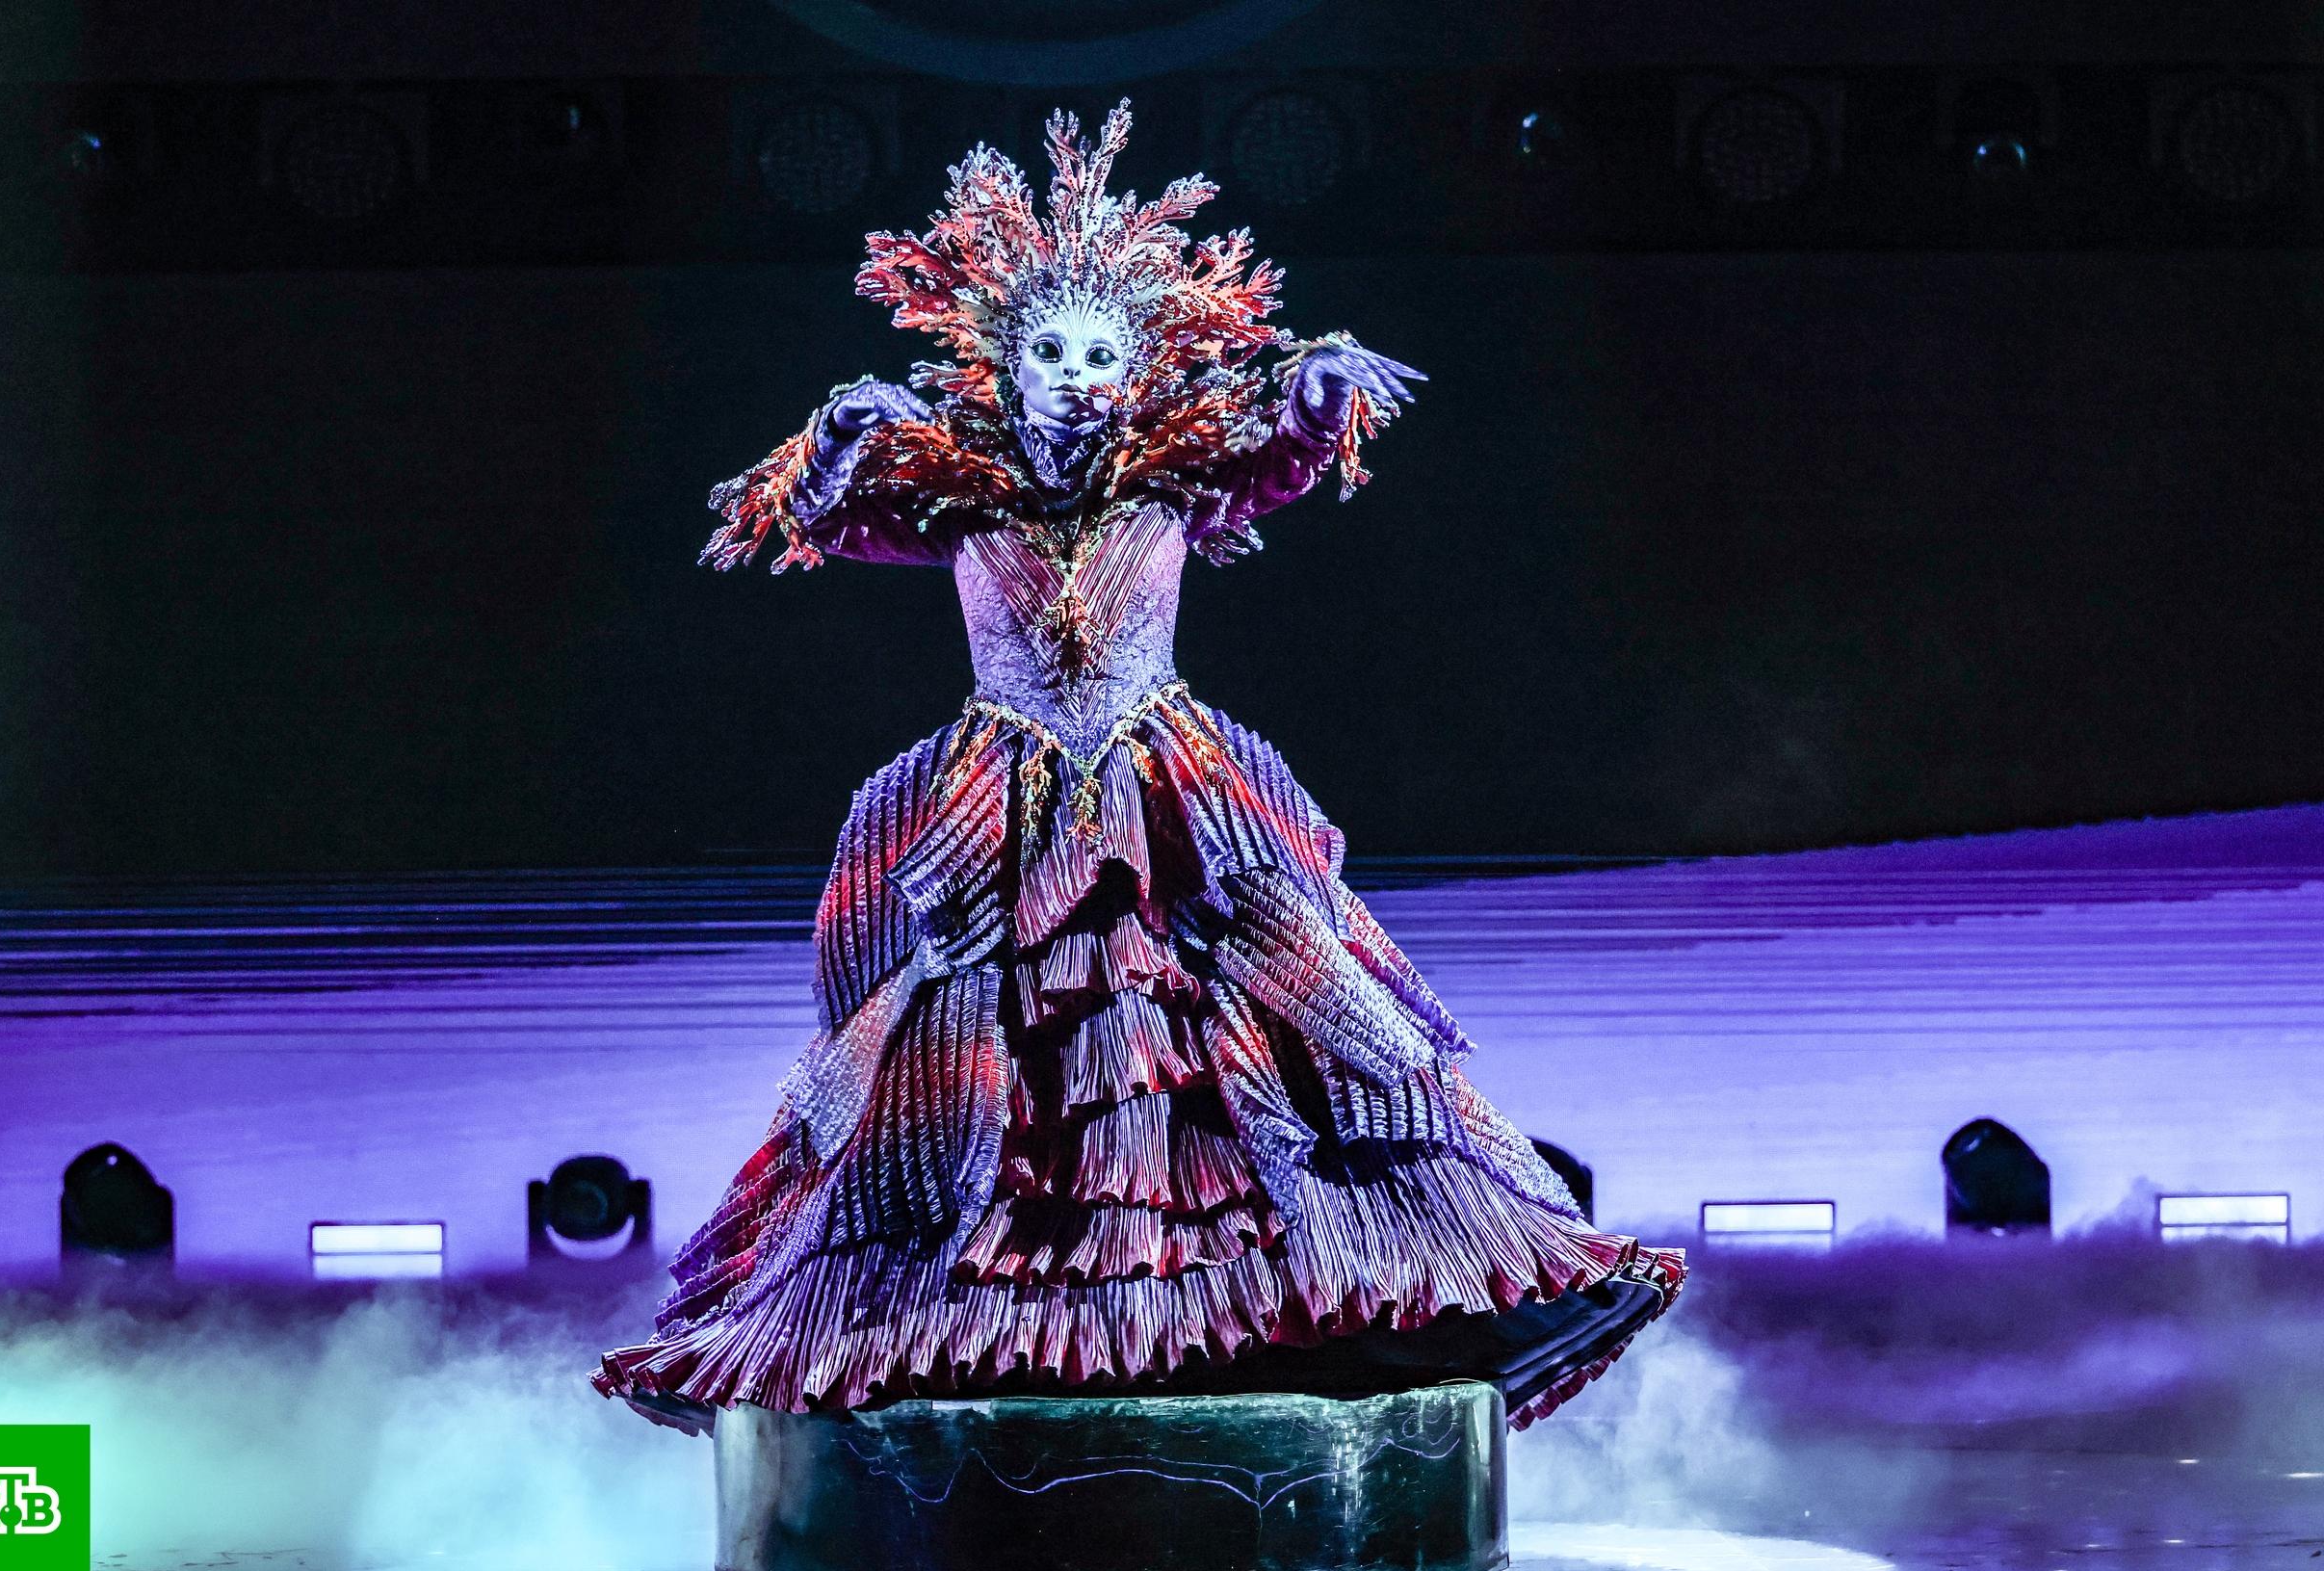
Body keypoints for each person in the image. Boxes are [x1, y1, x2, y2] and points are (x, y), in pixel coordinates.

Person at [593, 102, 1681, 1429]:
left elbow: (1277, 460)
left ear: (1135, 365)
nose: (1075, 373)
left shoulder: (1170, 485)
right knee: (972, 1043)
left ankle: (1305, 1299)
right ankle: (974, 1328)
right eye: (1049, 351)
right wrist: (832, 438)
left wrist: (1314, 392)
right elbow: (825, 519)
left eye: (1100, 351)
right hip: (996, 803)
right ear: (1005, 367)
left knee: (1254, 1017)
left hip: (1168, 796)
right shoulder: (961, 498)